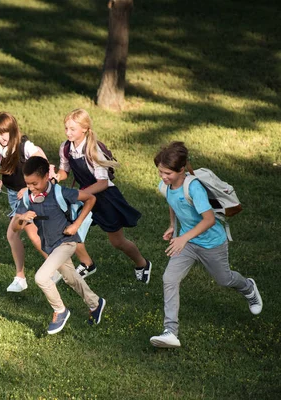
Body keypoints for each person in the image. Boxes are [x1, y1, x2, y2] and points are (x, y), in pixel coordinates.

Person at [150, 141, 263, 348]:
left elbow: (209, 219)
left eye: (168, 173)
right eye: (160, 172)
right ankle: (170, 331)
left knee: (224, 279)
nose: (163, 177)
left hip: (212, 243)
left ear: (181, 169)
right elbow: (172, 202)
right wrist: (172, 225)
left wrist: (183, 237)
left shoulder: (194, 188)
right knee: (169, 279)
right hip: (187, 243)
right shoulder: (165, 186)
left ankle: (248, 287)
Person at [51, 108, 152, 282]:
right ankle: (87, 263)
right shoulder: (66, 147)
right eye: (66, 128)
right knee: (69, 229)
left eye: (72, 129)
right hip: (84, 196)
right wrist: (57, 177)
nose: (68, 132)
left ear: (85, 129)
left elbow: (103, 183)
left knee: (117, 242)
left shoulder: (93, 150)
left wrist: (77, 194)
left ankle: (143, 264)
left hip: (105, 198)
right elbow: (64, 170)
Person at [13, 156, 106, 334]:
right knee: (71, 278)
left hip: (66, 242)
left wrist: (76, 224)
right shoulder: (27, 197)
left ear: (46, 177)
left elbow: (91, 199)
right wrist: (22, 219)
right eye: (28, 184)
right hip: (51, 246)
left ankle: (60, 311)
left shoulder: (60, 192)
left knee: (41, 278)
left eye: (35, 183)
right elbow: (17, 227)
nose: (31, 188)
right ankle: (95, 303)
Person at [0, 111, 51, 292]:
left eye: (3, 133)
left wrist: (30, 188)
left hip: (30, 196)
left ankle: (21, 278)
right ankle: (57, 266)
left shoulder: (25, 147)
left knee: (13, 234)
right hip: (15, 197)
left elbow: (44, 165)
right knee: (31, 234)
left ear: (12, 130)